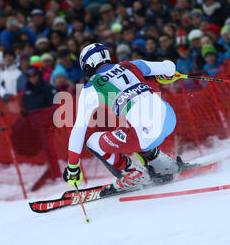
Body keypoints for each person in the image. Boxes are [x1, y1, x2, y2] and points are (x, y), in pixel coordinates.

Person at [62, 43, 192, 196]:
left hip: (146, 135)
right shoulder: (131, 65)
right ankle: (162, 163)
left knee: (93, 141)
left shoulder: (92, 86)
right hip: (169, 118)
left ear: (88, 65)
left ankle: (131, 173)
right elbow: (169, 67)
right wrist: (167, 76)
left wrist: (73, 167)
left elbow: (79, 128)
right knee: (127, 128)